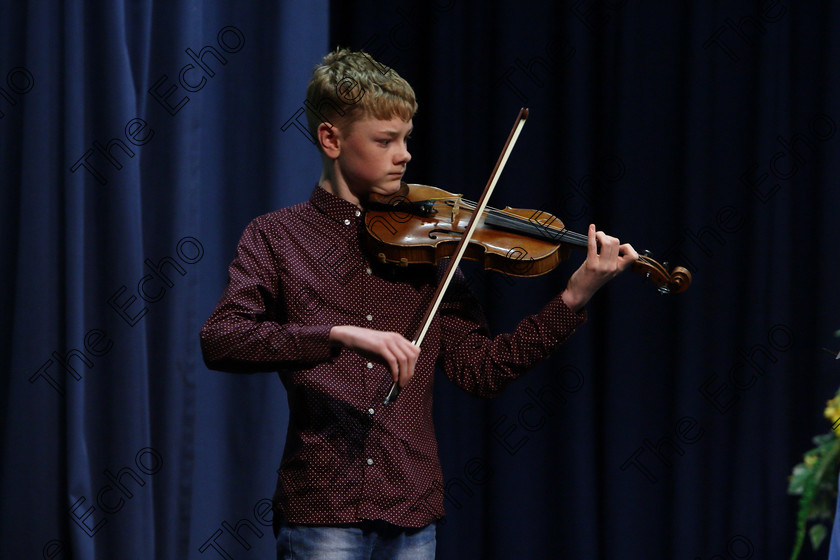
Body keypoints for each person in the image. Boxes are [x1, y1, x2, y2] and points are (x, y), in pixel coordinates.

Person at [199, 47, 638, 560]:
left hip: (411, 507)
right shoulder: (277, 237)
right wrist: (337, 335)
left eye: (406, 138)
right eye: (385, 140)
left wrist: (573, 296)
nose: (404, 154)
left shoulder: (430, 249)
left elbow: (483, 371)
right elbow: (222, 339)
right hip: (321, 504)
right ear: (331, 139)